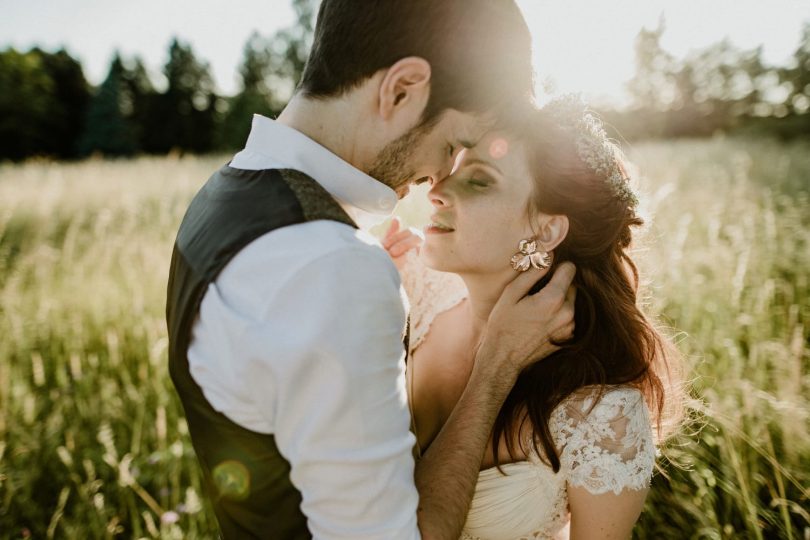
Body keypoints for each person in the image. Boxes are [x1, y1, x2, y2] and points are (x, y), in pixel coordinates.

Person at [165, 1, 576, 539]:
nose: (437, 178)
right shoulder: (331, 268)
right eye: (452, 144)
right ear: (401, 89)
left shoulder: (225, 197)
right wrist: (496, 365)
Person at [384, 96, 684, 540]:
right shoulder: (410, 288)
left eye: (479, 180)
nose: (436, 190)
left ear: (545, 231)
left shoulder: (600, 414)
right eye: (452, 168)